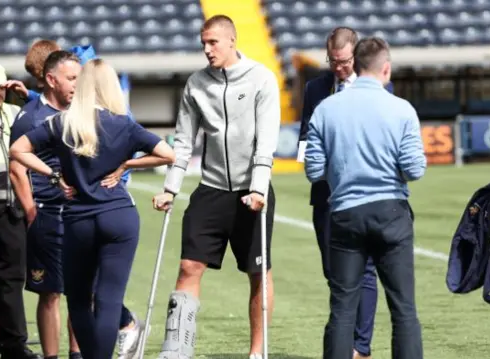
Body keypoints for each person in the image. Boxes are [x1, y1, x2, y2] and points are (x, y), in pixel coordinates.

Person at [9, 58, 175, 359]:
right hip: (119, 216)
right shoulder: (123, 123)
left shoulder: (61, 123)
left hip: (77, 219)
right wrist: (127, 162)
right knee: (109, 300)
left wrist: (54, 176)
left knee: (78, 300)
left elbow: (17, 150)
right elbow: (168, 154)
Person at [151, 14, 281, 359]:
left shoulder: (261, 79)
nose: (207, 50)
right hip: (210, 189)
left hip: (252, 191)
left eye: (213, 42)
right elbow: (183, 142)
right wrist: (170, 188)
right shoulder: (196, 83)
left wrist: (258, 188)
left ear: (231, 41)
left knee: (257, 272)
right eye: (203, 43)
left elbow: (266, 141)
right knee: (189, 267)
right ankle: (176, 351)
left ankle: (257, 353)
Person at [304, 37, 426, 359]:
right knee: (403, 308)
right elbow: (415, 168)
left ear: (355, 66)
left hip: (345, 212)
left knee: (343, 306)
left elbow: (314, 170)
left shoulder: (325, 109)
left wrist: (342, 173)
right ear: (386, 69)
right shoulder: (402, 108)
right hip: (391, 211)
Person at [296, 26, 392, 359]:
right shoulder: (315, 88)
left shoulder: (378, 88)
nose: (339, 68)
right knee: (334, 273)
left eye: (345, 61)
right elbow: (305, 141)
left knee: (363, 270)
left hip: (363, 196)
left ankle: (359, 347)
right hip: (325, 196)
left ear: (357, 55)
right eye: (333, 62)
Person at [9, 50, 83, 359]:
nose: (77, 85)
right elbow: (17, 166)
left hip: (81, 215)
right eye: (71, 79)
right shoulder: (30, 117)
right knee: (50, 292)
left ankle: (78, 354)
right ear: (51, 80)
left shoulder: (82, 113)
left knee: (82, 290)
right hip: (46, 214)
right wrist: (31, 212)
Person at [0, 60, 42, 359]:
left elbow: (48, 115)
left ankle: (14, 344)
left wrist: (27, 96)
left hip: (12, 210)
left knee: (12, 278)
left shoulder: (15, 112)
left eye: (1, 86)